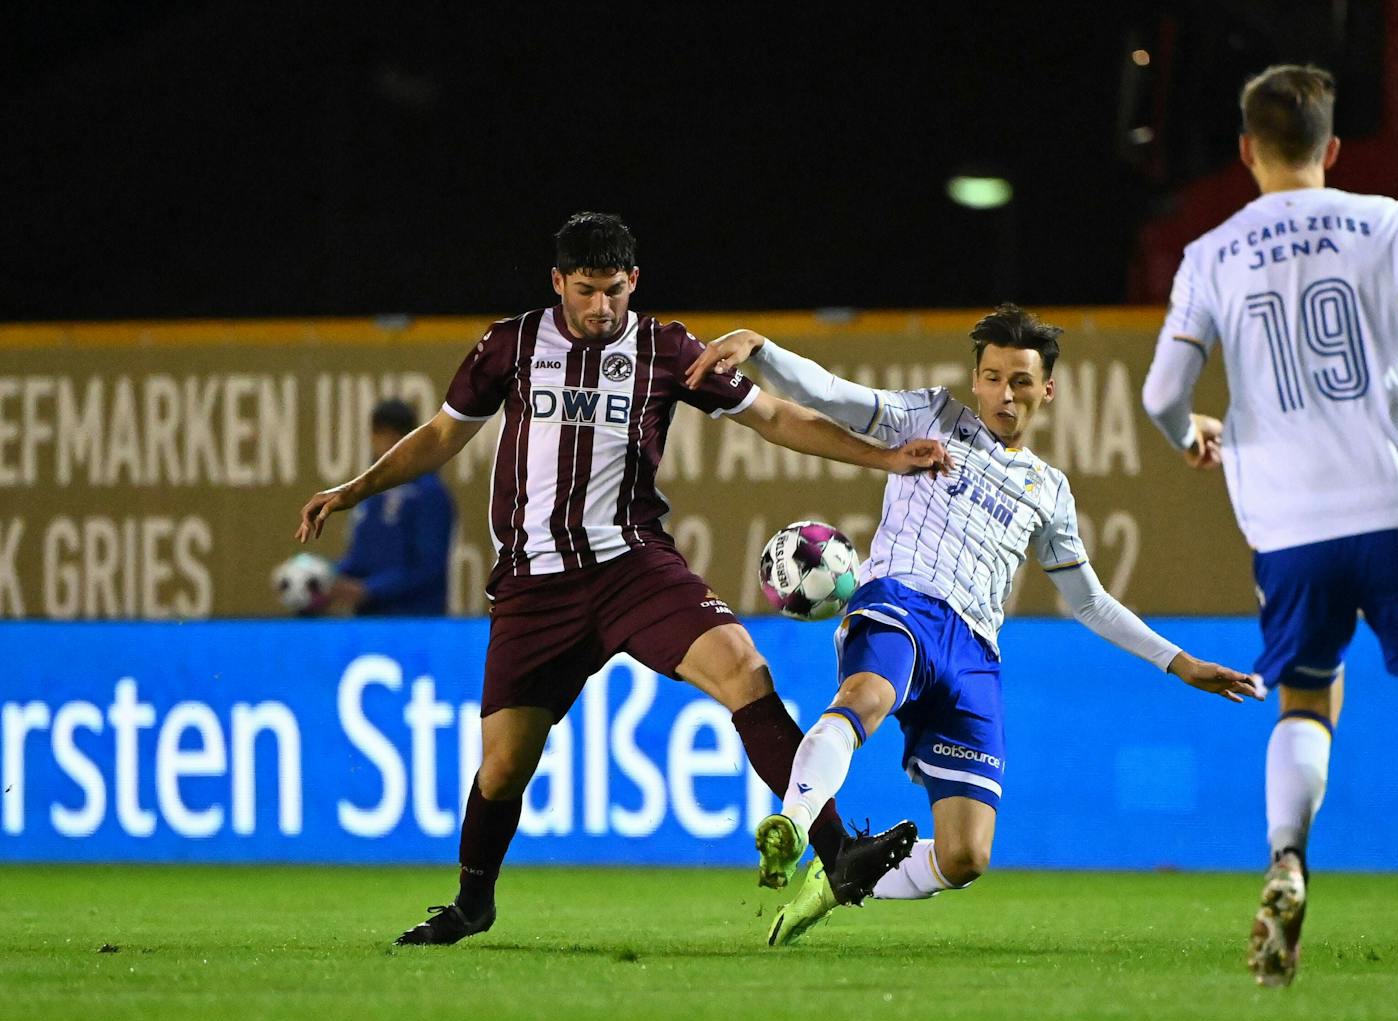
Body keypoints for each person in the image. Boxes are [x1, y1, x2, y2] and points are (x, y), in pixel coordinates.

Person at [294, 212, 952, 945]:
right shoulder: (509, 345)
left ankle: (837, 853)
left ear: (633, 281)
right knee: (504, 768)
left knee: (744, 671)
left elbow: (772, 417)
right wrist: (354, 489)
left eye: (613, 290)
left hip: (633, 566)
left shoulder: (666, 349)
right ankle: (473, 899)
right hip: (534, 586)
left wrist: (886, 458)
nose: (600, 307)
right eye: (585, 291)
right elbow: (444, 434)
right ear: (557, 283)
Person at [1139, 65, 1398, 990]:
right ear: (1332, 150)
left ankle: (1286, 855)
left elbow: (1163, 392)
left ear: (1247, 150)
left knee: (1304, 700)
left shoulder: (1212, 251)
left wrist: (1192, 436)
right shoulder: (1387, 223)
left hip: (1289, 525)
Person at [689, 304, 1261, 947]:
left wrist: (1178, 662)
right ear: (976, 377)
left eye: (1020, 381)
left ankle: (844, 878)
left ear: (1047, 389)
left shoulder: (1049, 491)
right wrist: (762, 351)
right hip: (901, 602)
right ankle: (795, 827)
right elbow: (830, 394)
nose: (1004, 394)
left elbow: (1090, 601)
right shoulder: (929, 415)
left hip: (974, 655)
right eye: (991, 377)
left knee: (965, 856)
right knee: (865, 698)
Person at [316, 399, 454, 616]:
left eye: (376, 435)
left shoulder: (428, 493)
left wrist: (370, 589)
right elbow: (362, 557)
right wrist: (325, 577)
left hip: (416, 622)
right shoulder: (371, 493)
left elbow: (429, 568)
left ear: (394, 436)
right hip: (370, 621)